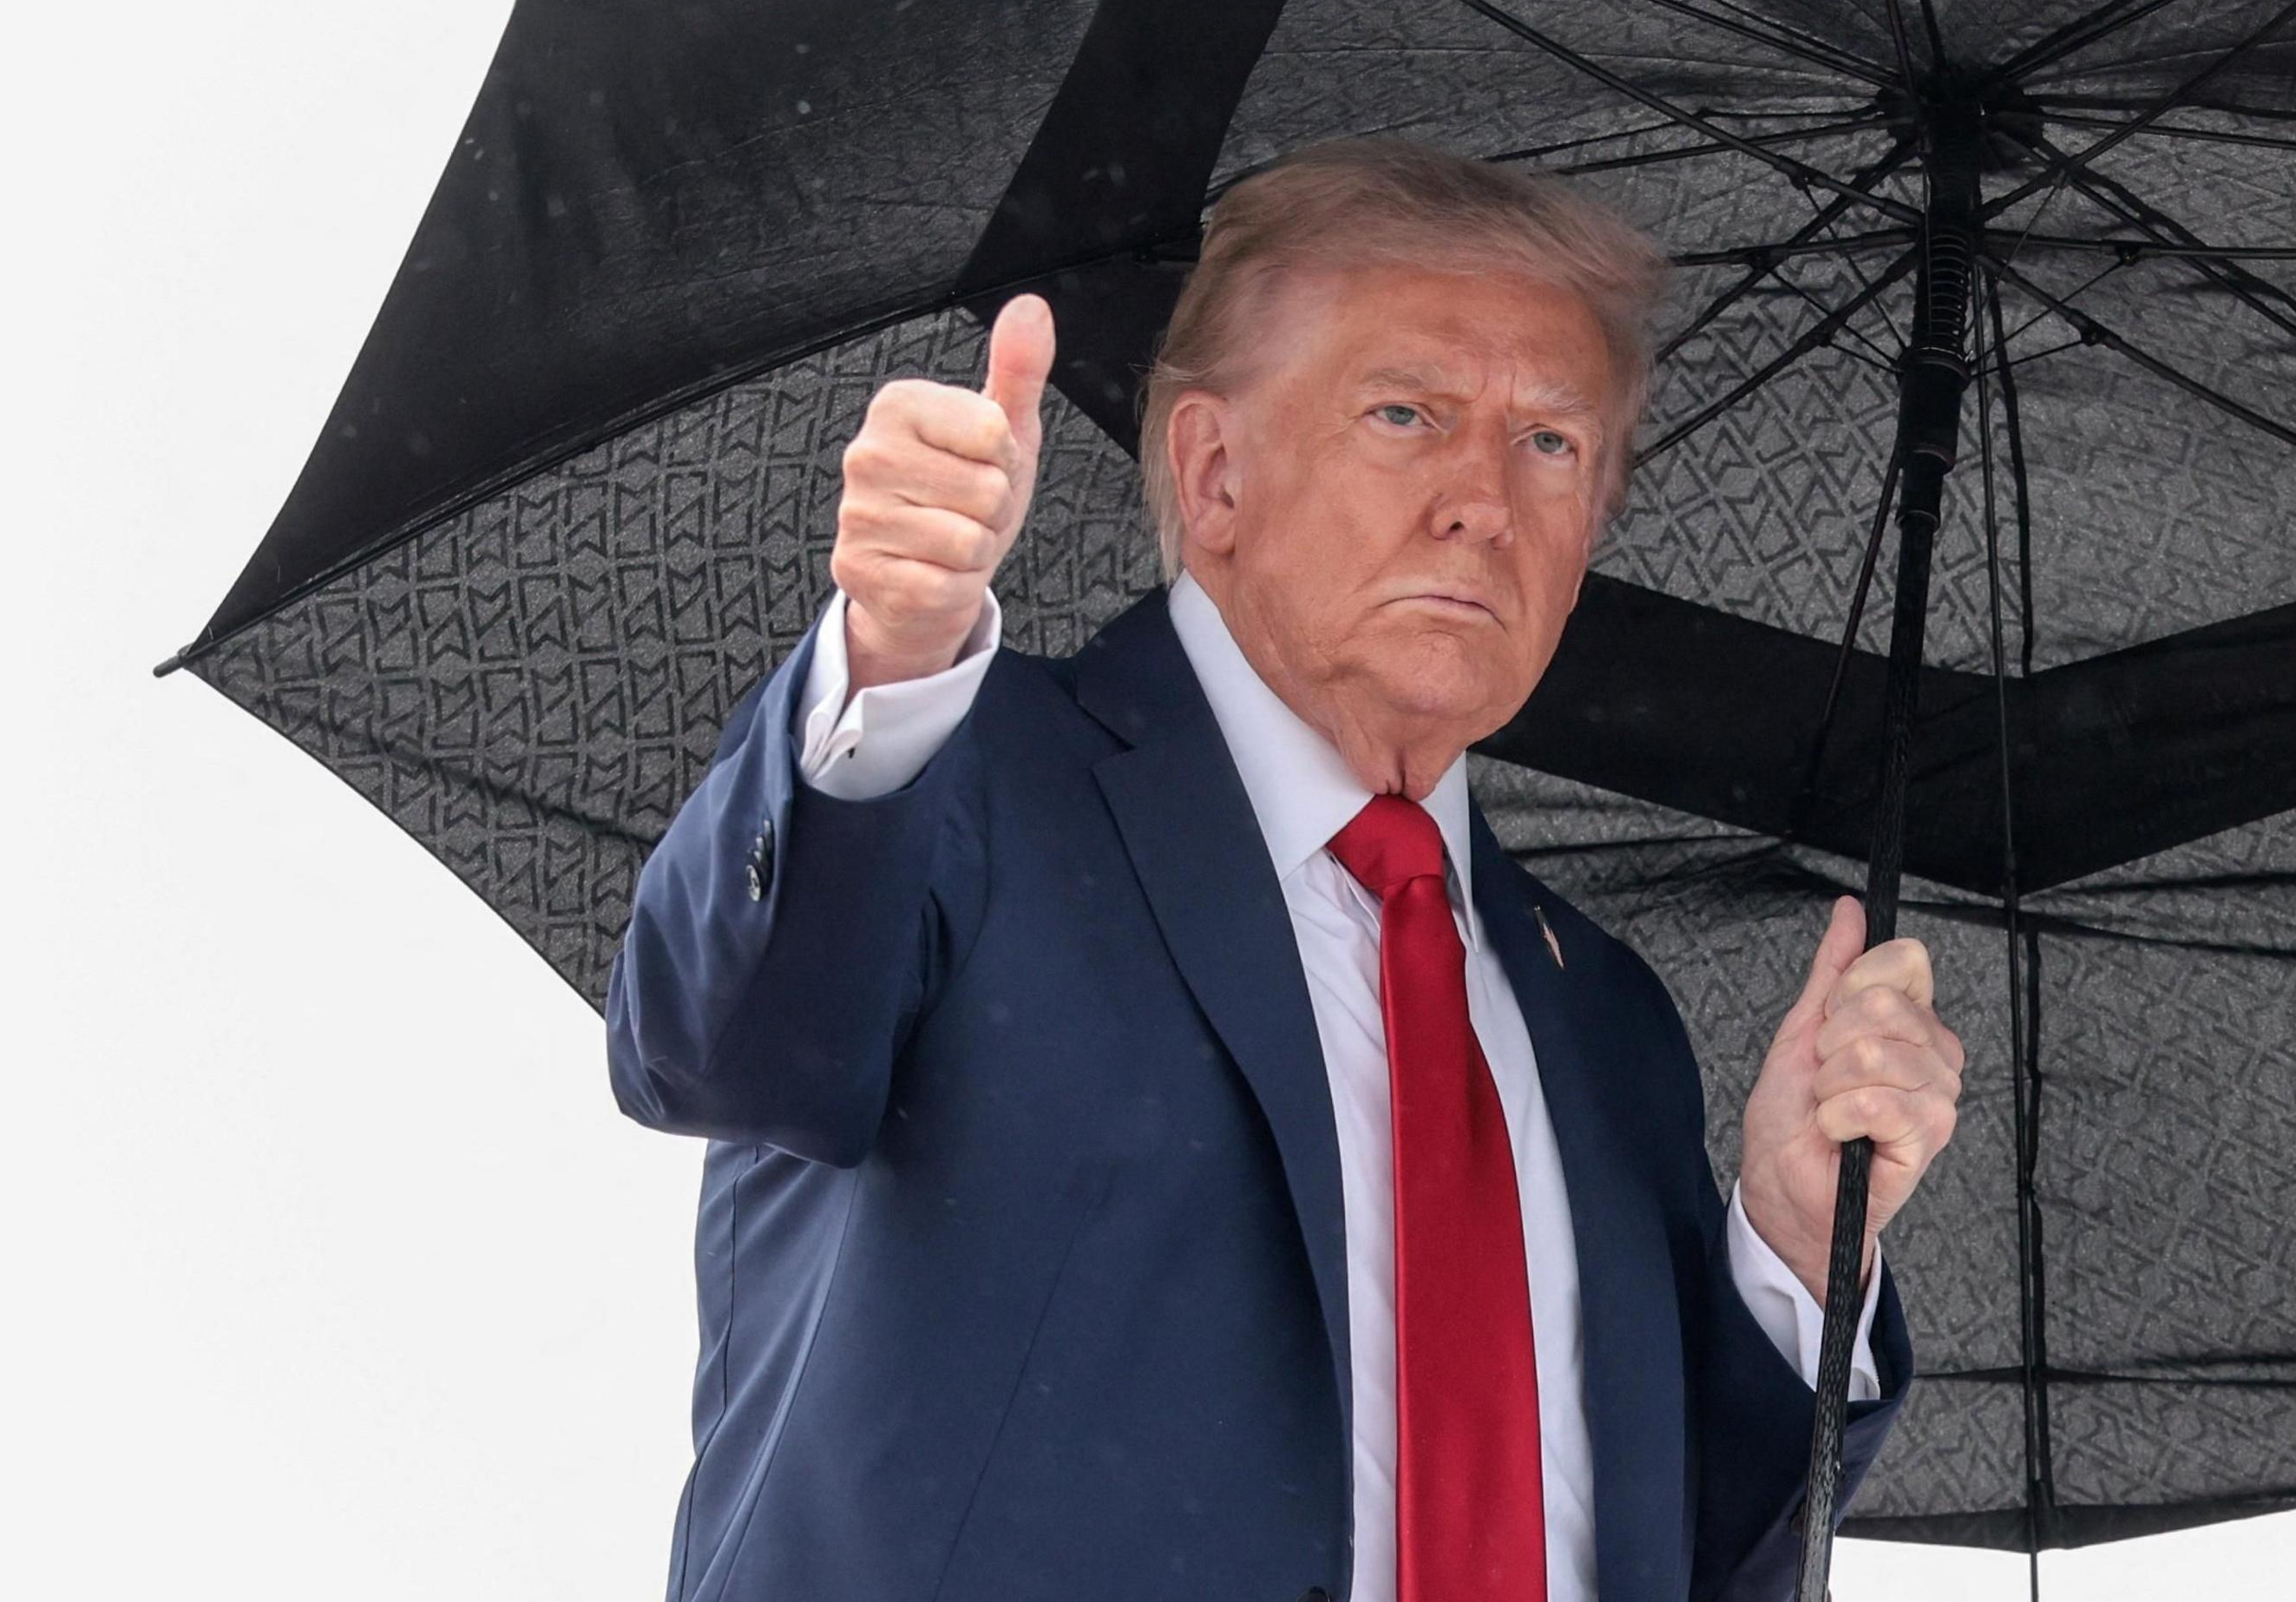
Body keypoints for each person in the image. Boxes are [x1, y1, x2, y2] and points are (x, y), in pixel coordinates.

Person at [605, 136, 1966, 1602]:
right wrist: (883, 654)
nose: (1484, 502)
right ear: (1213, 470)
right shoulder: (960, 778)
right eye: (1406, 412)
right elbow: (718, 1045)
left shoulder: (1609, 1026)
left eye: (1552, 442)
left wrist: (1785, 1238)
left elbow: (1674, 1558)